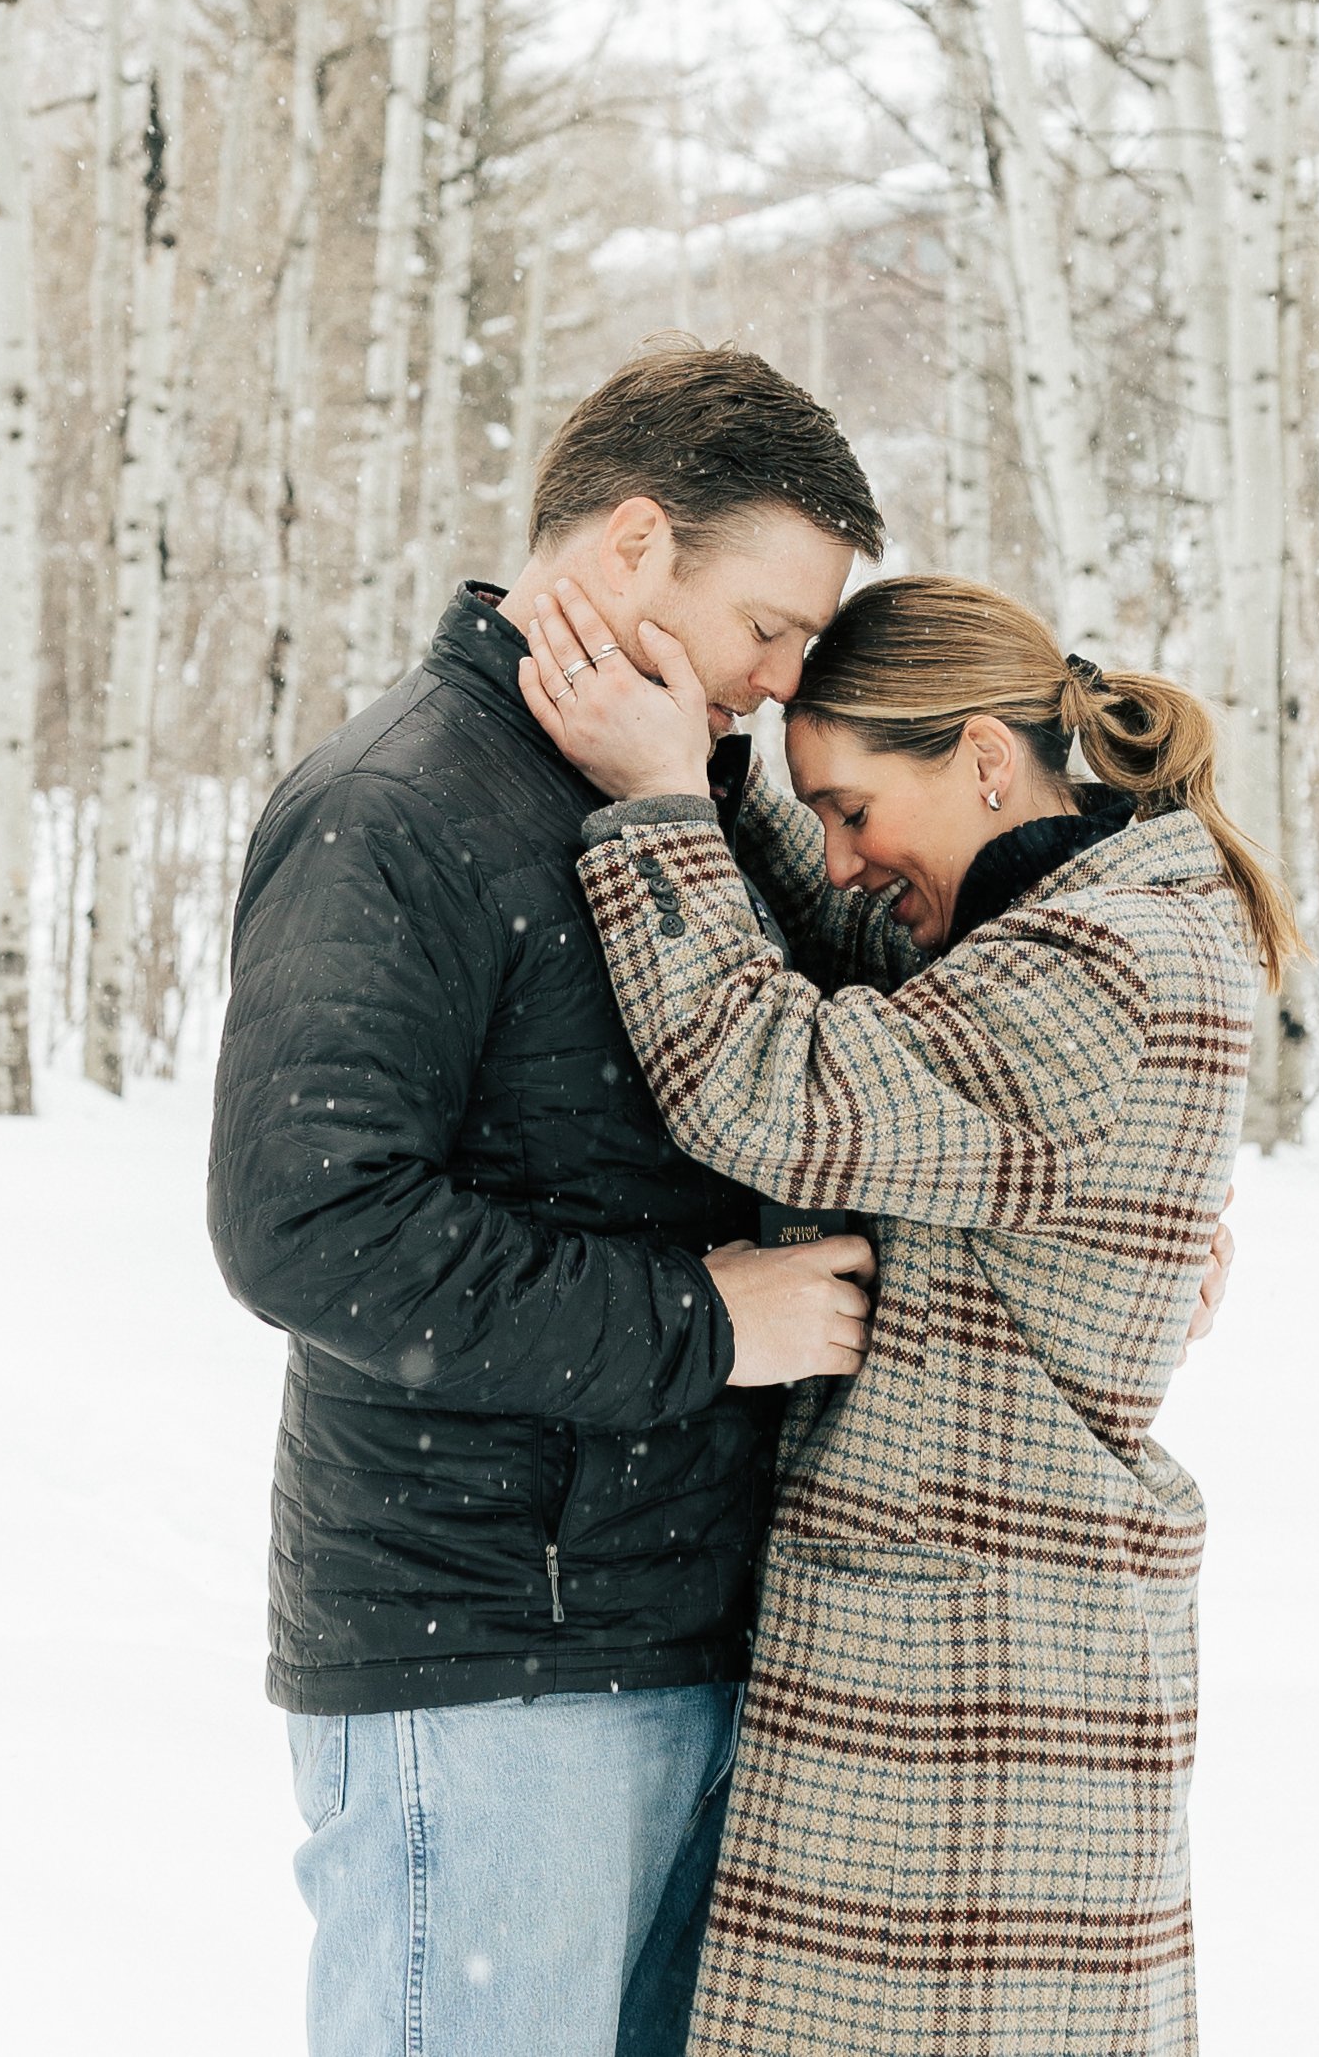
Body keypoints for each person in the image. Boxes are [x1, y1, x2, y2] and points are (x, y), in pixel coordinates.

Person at [207, 343, 889, 2057]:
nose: (786, 682)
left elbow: (843, 1082)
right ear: (637, 543)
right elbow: (307, 1216)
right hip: (491, 1663)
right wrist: (702, 1322)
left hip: (689, 1630)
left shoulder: (696, 805)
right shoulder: (400, 807)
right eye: (773, 626)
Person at [519, 570, 1278, 2056]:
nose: (844, 858)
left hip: (980, 1705)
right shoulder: (1062, 924)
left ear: (986, 760)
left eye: (853, 809)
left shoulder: (1102, 964)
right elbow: (864, 968)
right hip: (991, 1674)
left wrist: (665, 802)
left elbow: (777, 1082)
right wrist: (715, 767)